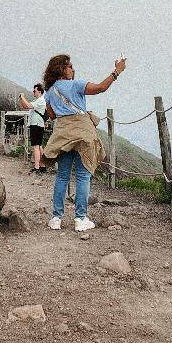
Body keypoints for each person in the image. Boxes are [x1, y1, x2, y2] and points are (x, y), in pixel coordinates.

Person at [39, 53, 127, 232]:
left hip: (63, 135)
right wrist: (117, 71)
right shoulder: (77, 85)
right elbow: (101, 87)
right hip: (83, 133)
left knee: (62, 176)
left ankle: (56, 218)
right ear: (61, 69)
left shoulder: (49, 92)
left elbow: (53, 115)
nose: (73, 68)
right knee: (83, 176)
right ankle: (80, 219)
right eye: (69, 66)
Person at [17, 83, 48, 173]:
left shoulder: (40, 101)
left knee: (36, 146)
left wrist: (23, 97)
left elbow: (28, 106)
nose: (33, 92)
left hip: (36, 124)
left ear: (39, 91)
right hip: (38, 124)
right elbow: (25, 106)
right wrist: (21, 99)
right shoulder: (37, 100)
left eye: (34, 91)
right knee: (39, 146)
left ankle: (37, 167)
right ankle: (42, 166)